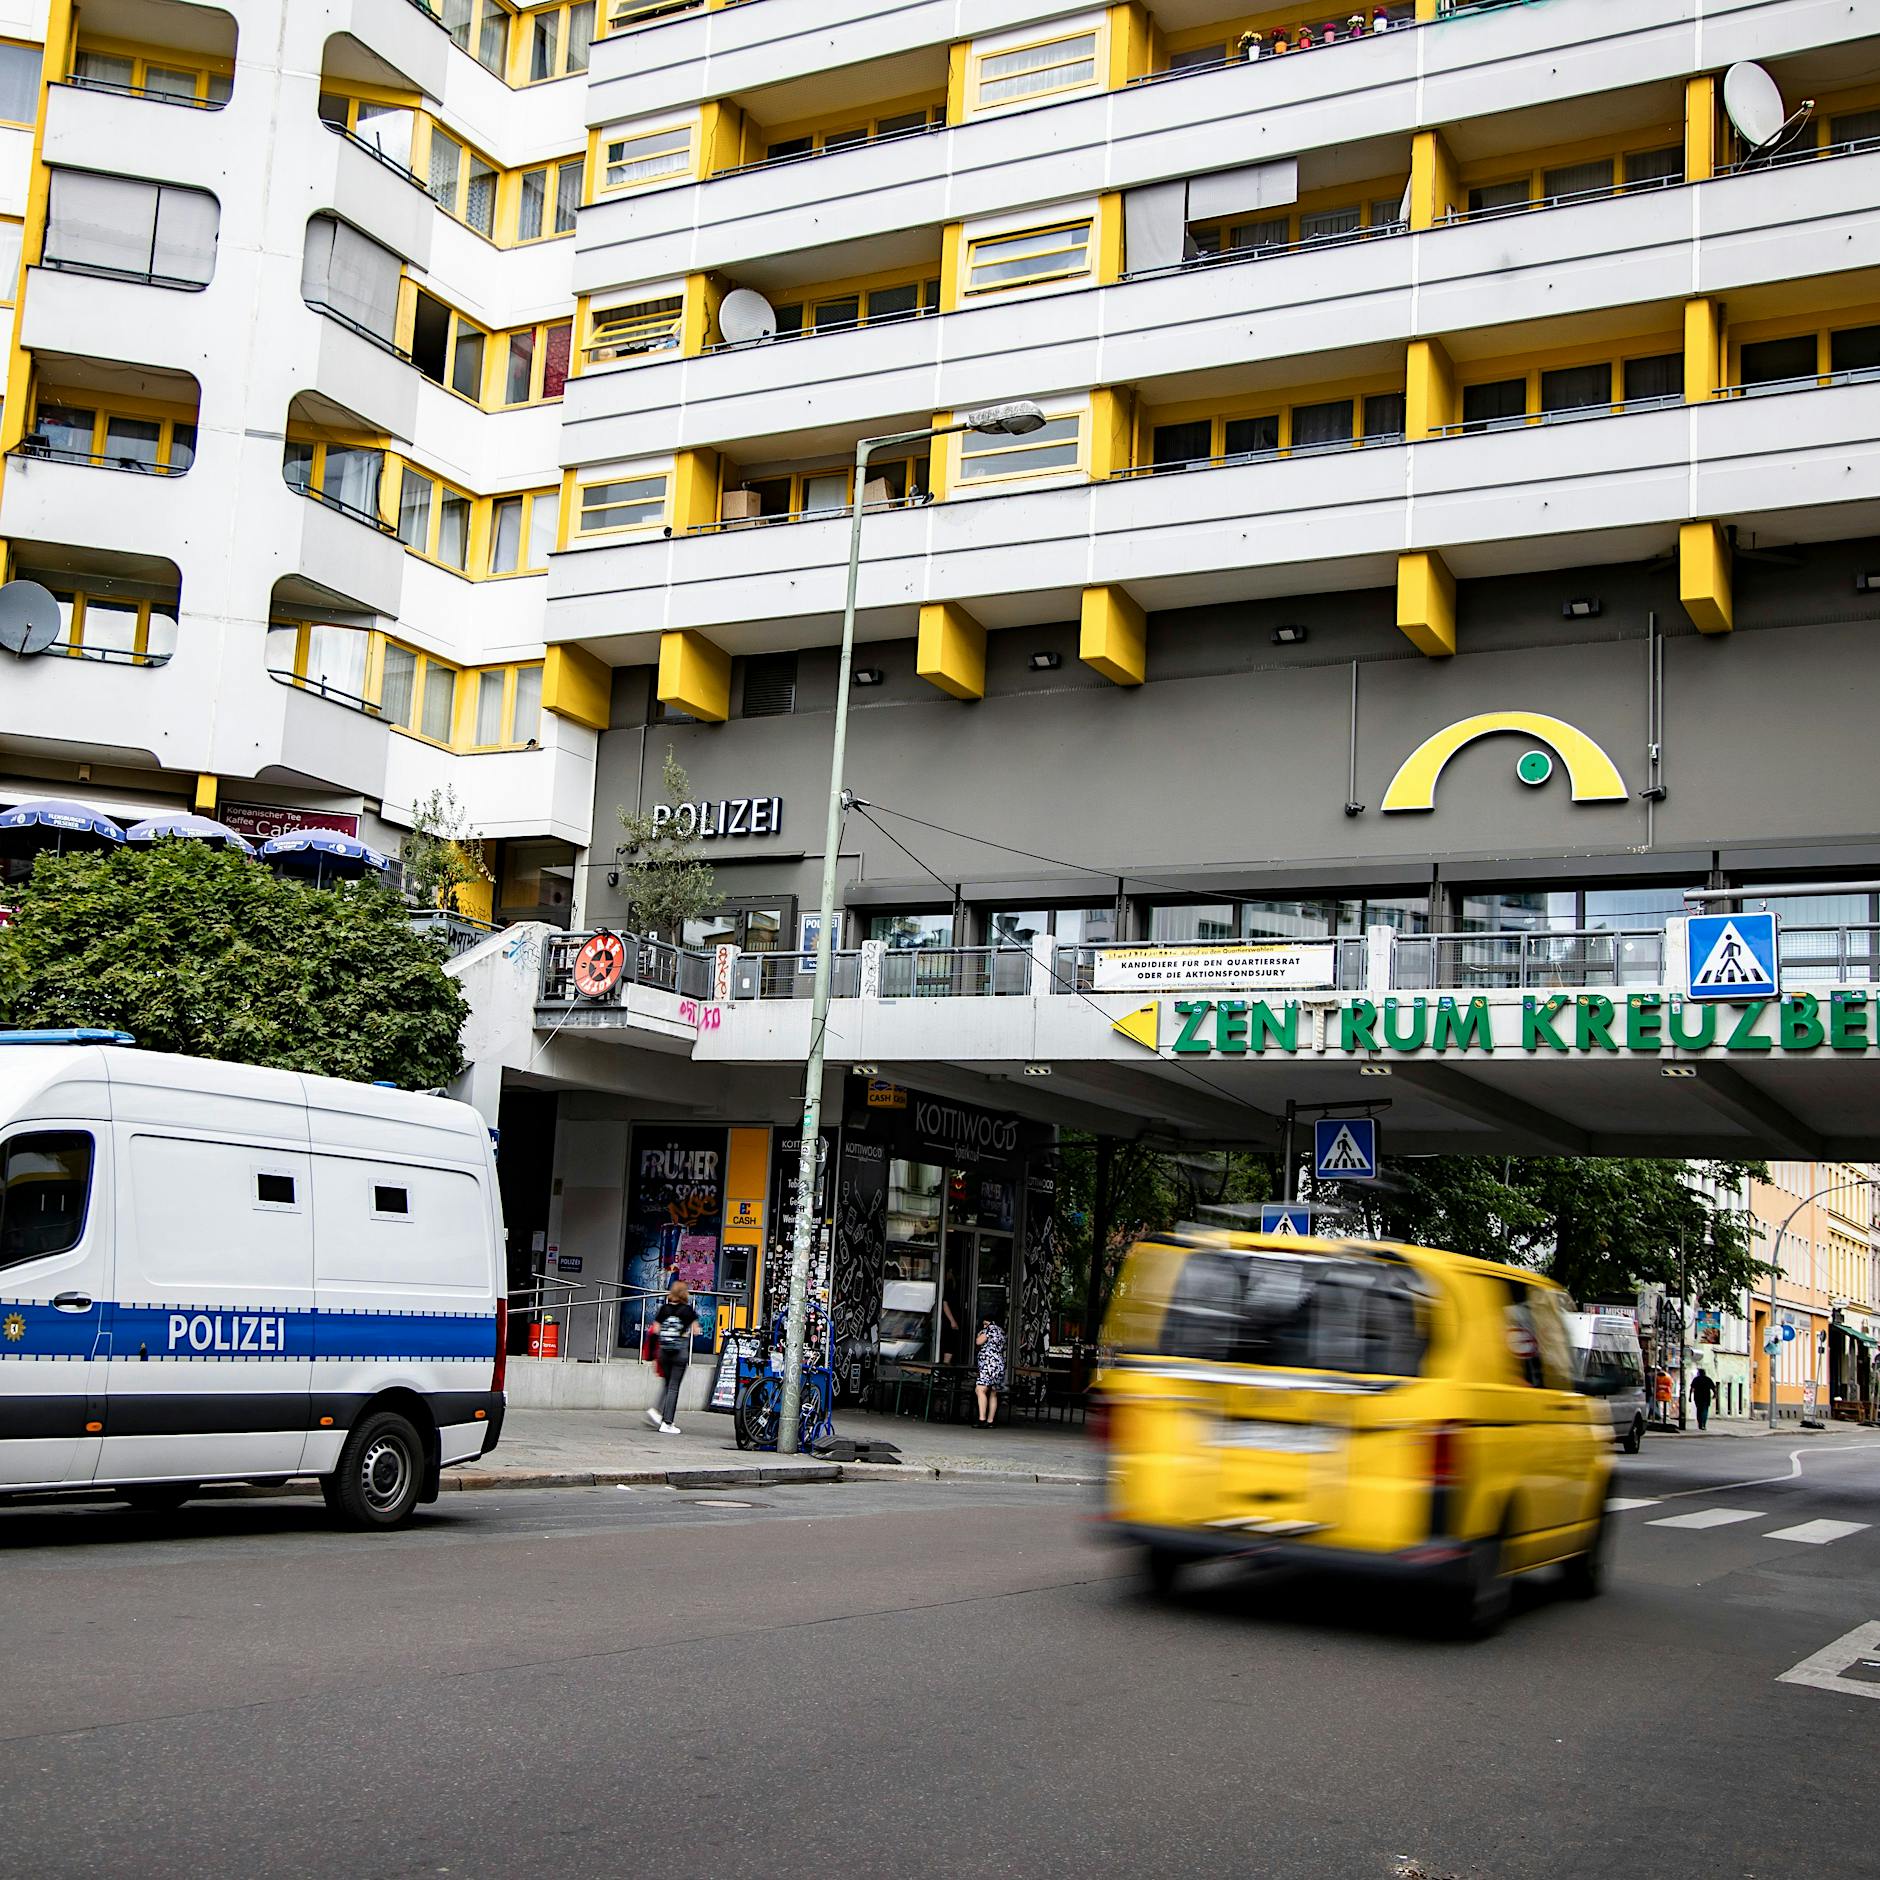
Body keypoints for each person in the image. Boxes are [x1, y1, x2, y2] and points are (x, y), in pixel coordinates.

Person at [644, 1279, 699, 1435]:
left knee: (668, 1385)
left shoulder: (664, 1309)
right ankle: (667, 1423)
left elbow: (655, 1330)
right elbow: (696, 1331)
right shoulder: (688, 1311)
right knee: (673, 1387)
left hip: (663, 1353)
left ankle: (661, 1415)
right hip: (679, 1353)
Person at [975, 1310, 1008, 1427]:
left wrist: (980, 1333)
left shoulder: (990, 1328)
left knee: (980, 1390)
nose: (984, 1326)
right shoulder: (1001, 1331)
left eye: (985, 1323)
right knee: (993, 1391)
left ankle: (981, 1419)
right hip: (999, 1364)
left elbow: (979, 1342)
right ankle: (990, 1420)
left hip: (989, 1364)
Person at [1692, 1364, 1716, 1431]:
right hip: (1706, 1397)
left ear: (1699, 1373)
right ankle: (1703, 1425)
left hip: (1698, 1397)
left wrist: (1689, 1397)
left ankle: (1700, 1424)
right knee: (1705, 1411)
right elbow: (1713, 1388)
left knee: (1699, 1411)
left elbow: (1692, 1388)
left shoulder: (1696, 1379)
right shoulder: (1708, 1379)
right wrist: (1715, 1394)